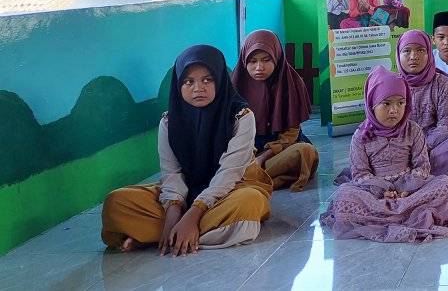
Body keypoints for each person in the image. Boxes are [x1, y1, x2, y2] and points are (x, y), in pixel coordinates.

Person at [101, 45, 272, 254]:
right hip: (185, 191)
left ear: (220, 80)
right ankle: (182, 233)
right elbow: (171, 173)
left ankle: (165, 235)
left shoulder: (241, 116)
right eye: (188, 82)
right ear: (178, 85)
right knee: (116, 203)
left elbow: (230, 172)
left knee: (249, 202)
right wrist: (173, 212)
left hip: (232, 188)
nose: (198, 88)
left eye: (207, 80)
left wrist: (194, 212)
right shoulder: (169, 122)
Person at [321, 68, 448, 242]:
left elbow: (422, 165)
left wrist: (406, 187)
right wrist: (382, 190)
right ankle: (397, 212)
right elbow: (360, 173)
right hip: (375, 192)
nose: (394, 110)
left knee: (444, 184)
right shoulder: (361, 136)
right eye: (386, 103)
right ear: (371, 104)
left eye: (400, 103)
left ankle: (397, 211)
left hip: (411, 189)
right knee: (345, 195)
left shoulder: (413, 130)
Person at [232, 30, 319, 191]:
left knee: (305, 152)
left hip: (279, 151)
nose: (259, 67)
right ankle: (261, 177)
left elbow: (290, 135)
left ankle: (252, 178)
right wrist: (248, 158)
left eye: (266, 60)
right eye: (252, 61)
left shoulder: (292, 83)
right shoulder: (235, 86)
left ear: (277, 57)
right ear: (244, 60)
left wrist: (262, 158)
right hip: (244, 154)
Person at [397, 30, 448, 179]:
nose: (413, 56)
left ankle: (413, 173)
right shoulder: (393, 86)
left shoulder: (442, 83)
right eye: (407, 51)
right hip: (402, 150)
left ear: (429, 53)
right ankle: (432, 171)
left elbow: (447, 126)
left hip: (433, 146)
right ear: (398, 54)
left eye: (420, 50)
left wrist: (420, 149)